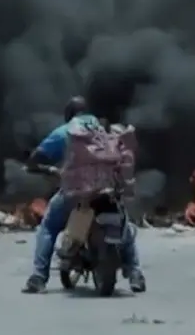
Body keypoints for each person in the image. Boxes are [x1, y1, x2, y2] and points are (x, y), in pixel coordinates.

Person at [21, 96, 146, 294]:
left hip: (76, 194)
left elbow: (35, 159)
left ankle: (38, 277)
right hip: (107, 191)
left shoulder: (65, 131)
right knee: (125, 224)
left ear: (69, 115)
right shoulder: (105, 130)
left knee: (49, 227)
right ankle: (135, 273)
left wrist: (48, 169)